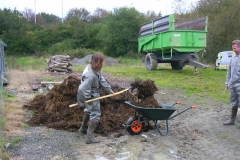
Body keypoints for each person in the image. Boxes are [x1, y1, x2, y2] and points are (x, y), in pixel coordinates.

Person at [77, 53, 114, 144]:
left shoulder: (95, 68)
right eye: (102, 61)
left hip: (91, 93)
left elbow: (101, 79)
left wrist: (109, 90)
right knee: (96, 114)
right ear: (98, 62)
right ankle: (89, 138)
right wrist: (82, 101)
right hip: (91, 95)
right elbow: (81, 89)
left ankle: (82, 129)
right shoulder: (90, 75)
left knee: (89, 110)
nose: (103, 63)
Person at [224, 39, 240, 125]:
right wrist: (227, 83)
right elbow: (229, 72)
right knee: (233, 102)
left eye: (235, 48)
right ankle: (232, 120)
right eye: (233, 48)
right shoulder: (233, 58)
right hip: (232, 85)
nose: (234, 50)